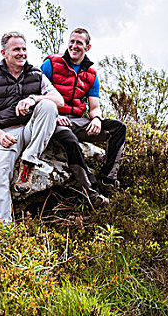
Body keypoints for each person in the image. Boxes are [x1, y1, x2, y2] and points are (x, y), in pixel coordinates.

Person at [0, 31, 64, 222]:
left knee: (48, 105)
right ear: (4, 53)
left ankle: (29, 161)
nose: (22, 53)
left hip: (33, 130)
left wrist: (34, 98)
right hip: (6, 133)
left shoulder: (36, 75)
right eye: (16, 49)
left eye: (24, 49)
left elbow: (58, 100)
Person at [41, 27, 126, 206]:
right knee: (70, 139)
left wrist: (96, 119)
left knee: (118, 128)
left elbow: (94, 106)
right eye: (71, 41)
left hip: (78, 120)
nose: (74, 46)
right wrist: (53, 116)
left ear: (87, 47)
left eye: (79, 43)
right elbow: (37, 95)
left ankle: (107, 180)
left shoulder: (91, 75)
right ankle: (91, 192)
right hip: (53, 119)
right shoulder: (51, 64)